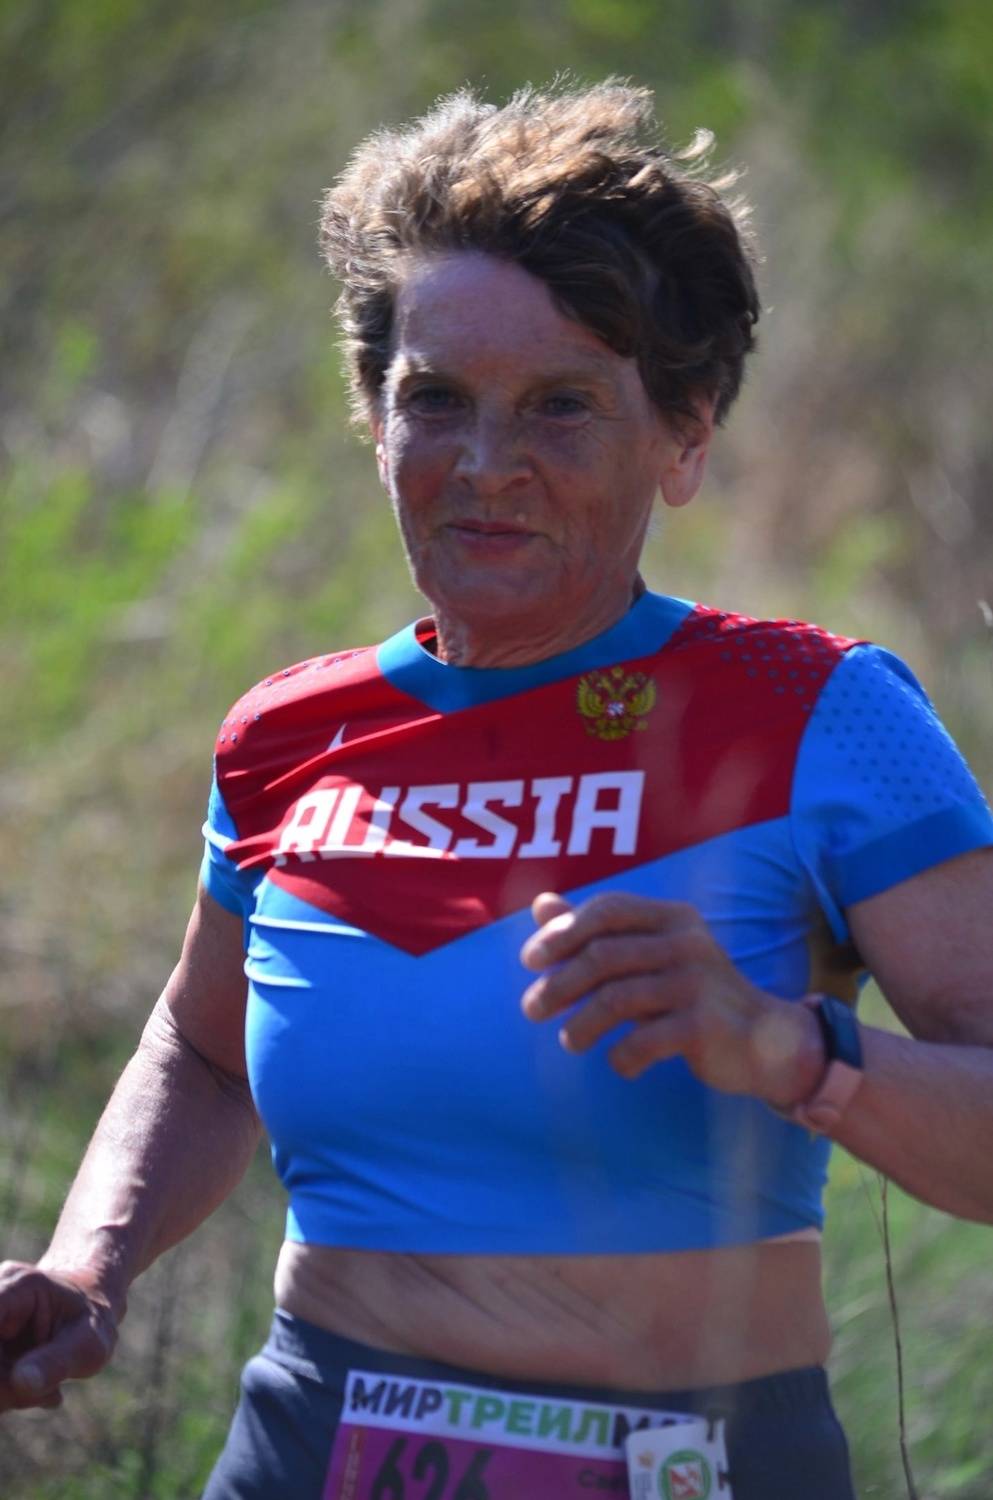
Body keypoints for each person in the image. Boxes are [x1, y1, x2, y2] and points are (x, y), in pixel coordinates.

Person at [2, 80, 992, 1500]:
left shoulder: (818, 711)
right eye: (436, 401)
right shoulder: (288, 735)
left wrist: (793, 1049)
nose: (486, 467)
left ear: (685, 433)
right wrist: (89, 1266)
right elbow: (203, 1053)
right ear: (374, 419)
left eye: (561, 407)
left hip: (690, 1463)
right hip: (309, 1453)